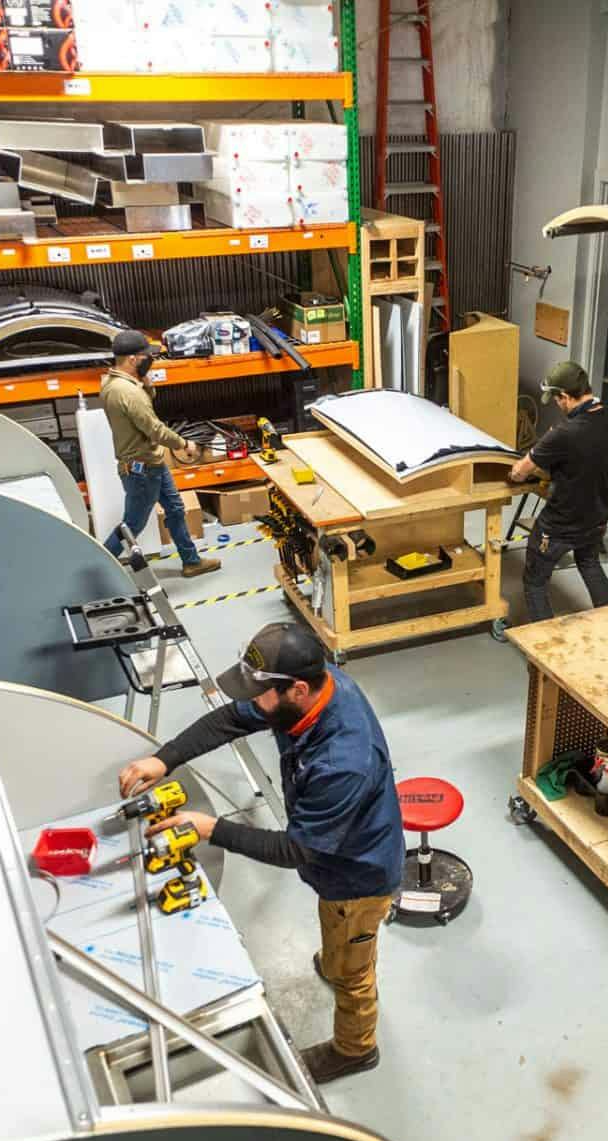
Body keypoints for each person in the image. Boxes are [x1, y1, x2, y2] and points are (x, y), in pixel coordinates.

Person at [118, 622, 403, 1084]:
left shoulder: (342, 762)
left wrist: (210, 828)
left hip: (358, 876)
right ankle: (336, 960)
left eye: (262, 694)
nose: (255, 703)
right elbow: (232, 718)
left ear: (298, 690)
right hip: (334, 863)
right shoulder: (312, 690)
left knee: (354, 969)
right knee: (337, 932)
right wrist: (165, 758)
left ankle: (356, 1049)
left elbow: (296, 849)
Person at [508, 360, 608, 622]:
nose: (556, 404)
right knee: (589, 563)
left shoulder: (563, 433)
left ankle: (545, 652)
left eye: (555, 399)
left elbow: (520, 472)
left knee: (535, 581)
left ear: (564, 396)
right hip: (597, 518)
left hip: (559, 525)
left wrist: (525, 464)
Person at [101, 329, 220, 576]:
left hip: (150, 464)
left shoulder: (115, 383)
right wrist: (184, 444)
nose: (151, 360)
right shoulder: (128, 393)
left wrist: (147, 384)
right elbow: (155, 429)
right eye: (147, 357)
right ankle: (99, 567)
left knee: (175, 510)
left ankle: (191, 561)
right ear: (133, 359)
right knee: (132, 525)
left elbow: (144, 415)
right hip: (142, 470)